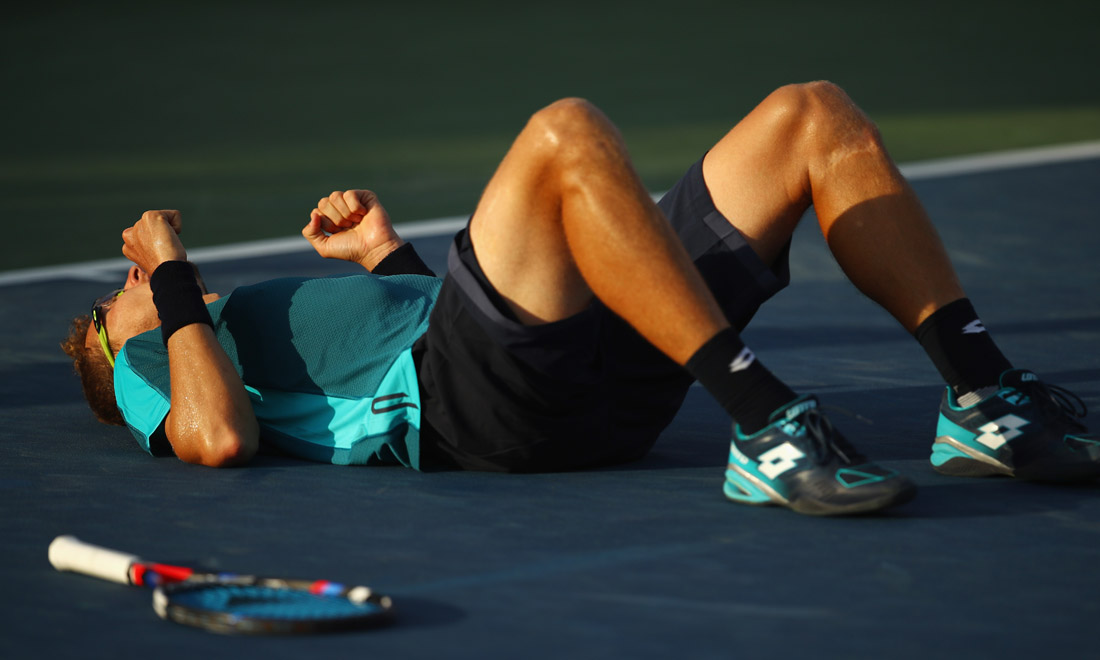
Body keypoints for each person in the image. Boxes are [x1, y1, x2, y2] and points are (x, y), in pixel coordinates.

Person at [62, 82, 1098, 516]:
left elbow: (468, 321)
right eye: (118, 303)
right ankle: (765, 430)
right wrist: (168, 278)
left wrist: (385, 259)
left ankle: (981, 398)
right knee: (562, 132)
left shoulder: (226, 325)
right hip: (480, 411)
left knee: (810, 117)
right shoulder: (156, 366)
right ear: (117, 355)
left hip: (549, 365)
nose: (132, 288)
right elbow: (216, 438)